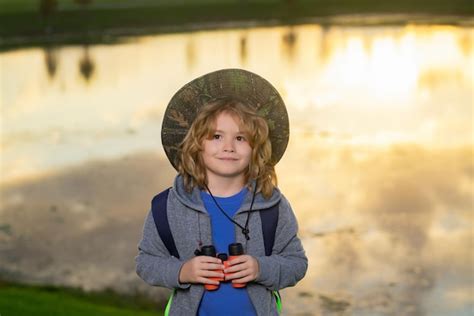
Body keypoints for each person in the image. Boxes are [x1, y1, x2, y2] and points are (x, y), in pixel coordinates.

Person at [136, 69, 307, 315]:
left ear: (256, 148)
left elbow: (296, 263)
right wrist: (184, 272)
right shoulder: (168, 206)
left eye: (241, 138)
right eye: (216, 136)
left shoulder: (273, 206)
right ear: (197, 145)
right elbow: (146, 262)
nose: (228, 147)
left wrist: (260, 268)